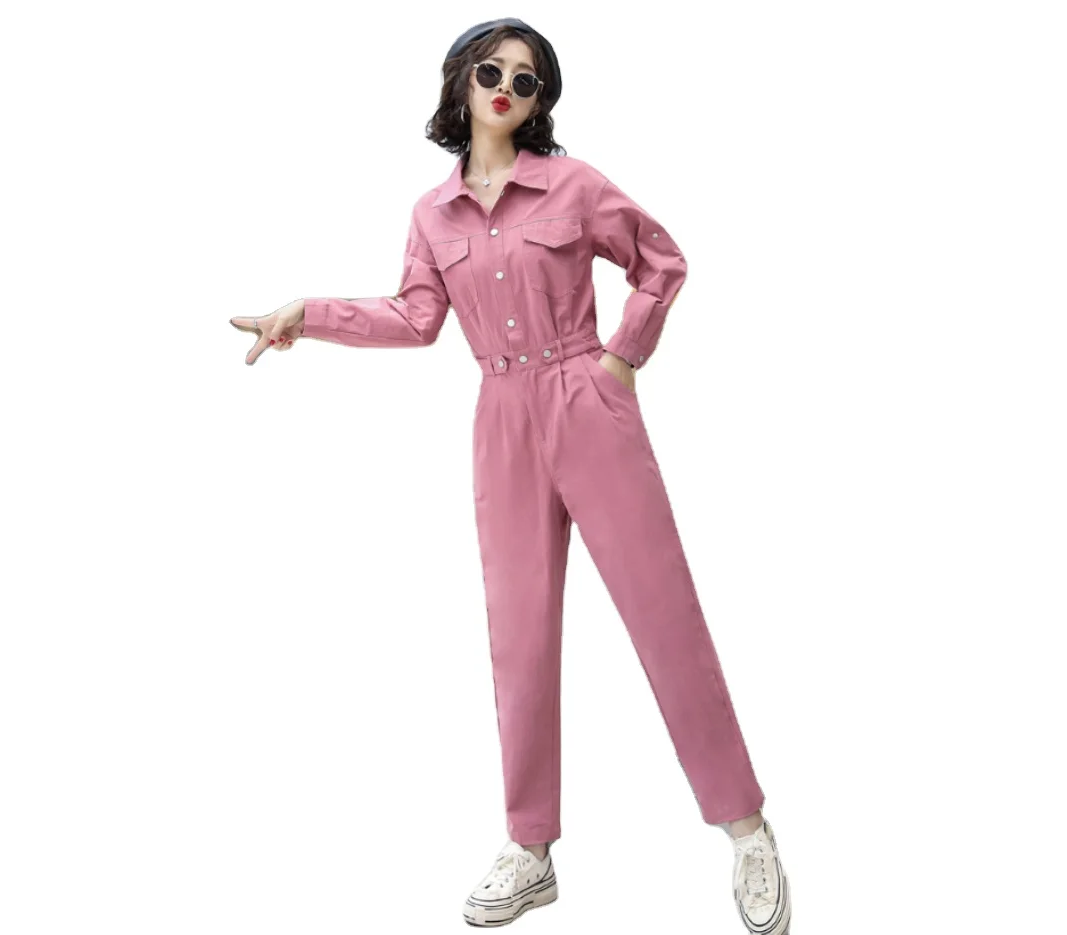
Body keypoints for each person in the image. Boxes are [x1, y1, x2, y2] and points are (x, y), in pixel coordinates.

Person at [230, 18, 791, 934]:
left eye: (526, 80)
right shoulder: (432, 213)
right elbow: (416, 318)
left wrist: (621, 358)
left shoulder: (573, 184)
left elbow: (661, 261)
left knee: (663, 616)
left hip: (587, 401)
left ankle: (745, 826)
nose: (505, 87)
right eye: (490, 71)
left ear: (539, 102)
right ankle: (530, 848)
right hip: (499, 415)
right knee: (518, 636)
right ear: (460, 81)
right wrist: (309, 313)